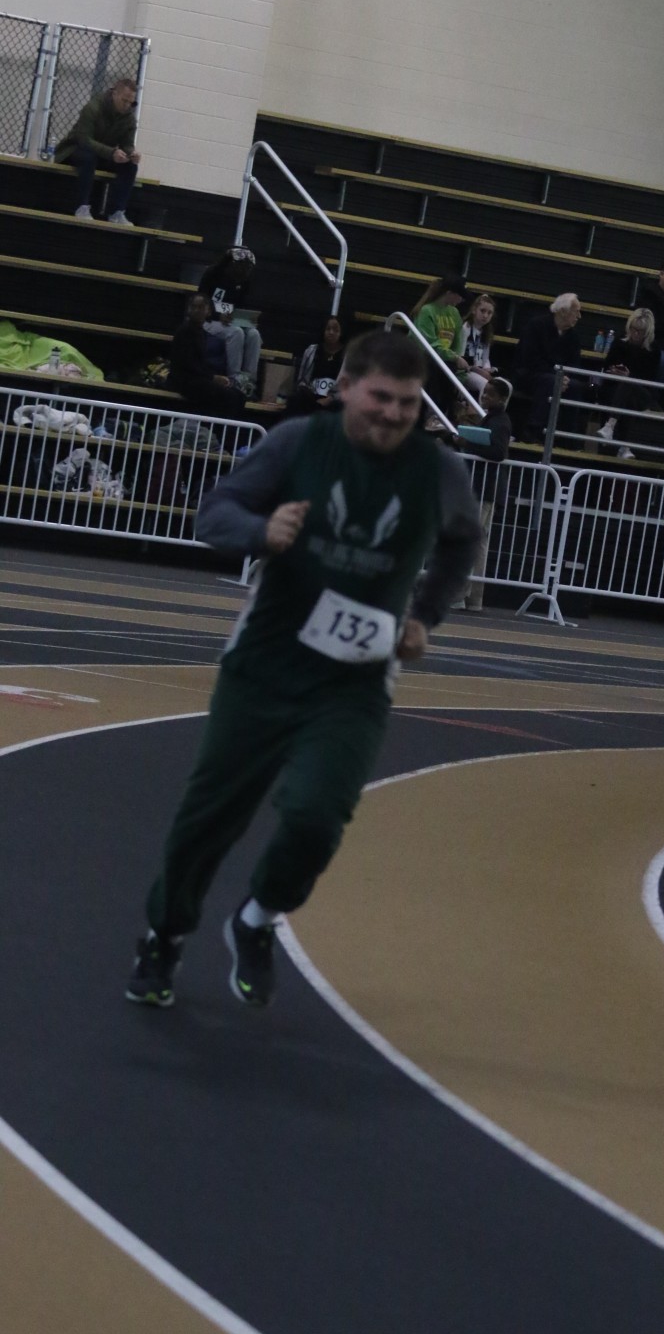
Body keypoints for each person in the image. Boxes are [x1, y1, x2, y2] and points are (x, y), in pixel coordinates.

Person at [125, 331, 482, 1009]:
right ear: (345, 389)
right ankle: (164, 936)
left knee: (317, 817)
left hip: (354, 682)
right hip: (265, 665)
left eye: (408, 404)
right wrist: (261, 534)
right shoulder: (298, 444)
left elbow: (463, 542)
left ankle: (257, 918)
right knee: (207, 821)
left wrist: (424, 616)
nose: (392, 415)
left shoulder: (437, 471)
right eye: (380, 397)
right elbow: (215, 512)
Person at [456, 376, 512, 612]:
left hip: (483, 489)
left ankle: (461, 594)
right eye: (485, 391)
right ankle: (473, 598)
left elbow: (498, 453)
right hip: (486, 488)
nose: (484, 396)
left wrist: (466, 443)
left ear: (502, 399)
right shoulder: (494, 419)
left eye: (490, 393)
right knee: (479, 544)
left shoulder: (500, 422)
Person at [54, 78, 141, 227]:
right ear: (114, 94)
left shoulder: (129, 118)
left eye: (131, 102)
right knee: (88, 156)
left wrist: (131, 154)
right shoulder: (93, 107)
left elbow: (127, 143)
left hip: (102, 155)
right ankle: (82, 206)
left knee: (130, 166)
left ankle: (117, 211)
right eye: (124, 100)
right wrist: (111, 153)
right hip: (75, 150)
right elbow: (83, 139)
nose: (127, 105)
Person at [512, 292, 585, 439]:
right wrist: (557, 375)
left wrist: (565, 377)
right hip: (530, 374)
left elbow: (574, 363)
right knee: (549, 382)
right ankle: (533, 430)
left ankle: (568, 436)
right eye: (576, 312)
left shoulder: (574, 336)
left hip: (558, 377)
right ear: (563, 311)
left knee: (576, 386)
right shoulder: (536, 326)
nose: (579, 316)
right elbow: (530, 359)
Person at [593, 308, 659, 460]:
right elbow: (607, 366)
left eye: (640, 331)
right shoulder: (619, 343)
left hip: (641, 391)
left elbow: (649, 380)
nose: (635, 333)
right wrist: (615, 371)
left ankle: (610, 425)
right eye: (633, 329)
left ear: (647, 333)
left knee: (628, 384)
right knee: (626, 396)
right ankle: (624, 446)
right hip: (617, 389)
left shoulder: (653, 350)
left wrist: (629, 376)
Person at [169, 293, 246, 419]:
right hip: (184, 380)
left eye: (200, 307)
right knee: (230, 396)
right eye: (193, 307)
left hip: (198, 378)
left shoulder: (202, 333)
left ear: (208, 311)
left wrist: (214, 377)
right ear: (188, 310)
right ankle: (221, 428)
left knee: (240, 395)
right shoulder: (184, 331)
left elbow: (200, 364)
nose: (196, 310)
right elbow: (188, 364)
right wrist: (212, 377)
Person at [198, 248, 262, 392]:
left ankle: (249, 380)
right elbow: (201, 303)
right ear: (232, 264)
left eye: (248, 268)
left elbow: (243, 306)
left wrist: (247, 319)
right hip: (208, 321)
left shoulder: (245, 282)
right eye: (242, 267)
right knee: (236, 333)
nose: (245, 271)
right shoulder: (212, 274)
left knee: (254, 334)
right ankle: (235, 378)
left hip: (231, 321)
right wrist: (217, 315)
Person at [282, 315, 346, 419]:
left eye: (335, 330)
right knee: (295, 399)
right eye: (328, 329)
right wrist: (307, 390)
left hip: (334, 399)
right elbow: (302, 380)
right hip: (312, 395)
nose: (331, 332)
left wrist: (330, 398)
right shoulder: (311, 351)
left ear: (341, 332)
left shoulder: (348, 355)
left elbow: (349, 387)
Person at [458, 293, 498, 399]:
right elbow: (460, 355)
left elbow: (485, 358)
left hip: (479, 371)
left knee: (505, 386)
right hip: (465, 371)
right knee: (486, 385)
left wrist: (487, 369)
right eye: (482, 311)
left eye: (489, 313)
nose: (485, 316)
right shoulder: (465, 328)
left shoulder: (486, 332)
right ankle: (481, 409)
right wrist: (479, 371)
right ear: (474, 310)